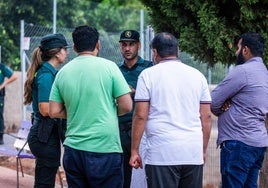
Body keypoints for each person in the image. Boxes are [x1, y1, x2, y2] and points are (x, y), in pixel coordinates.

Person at [49, 25, 133, 188]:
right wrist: (108, 111)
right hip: (106, 148)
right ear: (98, 45)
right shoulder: (109, 67)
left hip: (73, 149)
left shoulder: (63, 73)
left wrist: (77, 112)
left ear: (74, 47)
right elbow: (127, 106)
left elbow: (53, 111)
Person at [129, 32, 212, 188]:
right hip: (192, 152)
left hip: (161, 153)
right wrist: (202, 150)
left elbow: (140, 116)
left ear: (154, 52)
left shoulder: (147, 75)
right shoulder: (198, 76)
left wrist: (134, 150)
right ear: (177, 50)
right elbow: (206, 116)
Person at [211, 32, 268, 188]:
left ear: (245, 50)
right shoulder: (264, 72)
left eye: (238, 48)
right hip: (257, 144)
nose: (236, 52)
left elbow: (214, 101)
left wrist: (222, 108)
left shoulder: (242, 71)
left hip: (238, 144)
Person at [23, 33, 69, 187]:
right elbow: (44, 109)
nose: (67, 52)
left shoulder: (48, 72)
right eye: (64, 49)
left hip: (46, 135)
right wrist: (71, 112)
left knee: (45, 181)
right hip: (44, 136)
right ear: (56, 52)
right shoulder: (46, 75)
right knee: (45, 183)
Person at [118, 29, 153, 188]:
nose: (127, 48)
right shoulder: (115, 71)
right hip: (120, 129)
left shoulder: (149, 68)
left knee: (145, 175)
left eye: (131, 44)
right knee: (122, 175)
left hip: (143, 129)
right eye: (124, 44)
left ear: (138, 45)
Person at [0, 63, 17, 144]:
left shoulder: (2, 67)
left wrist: (2, 85)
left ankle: (0, 136)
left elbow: (14, 76)